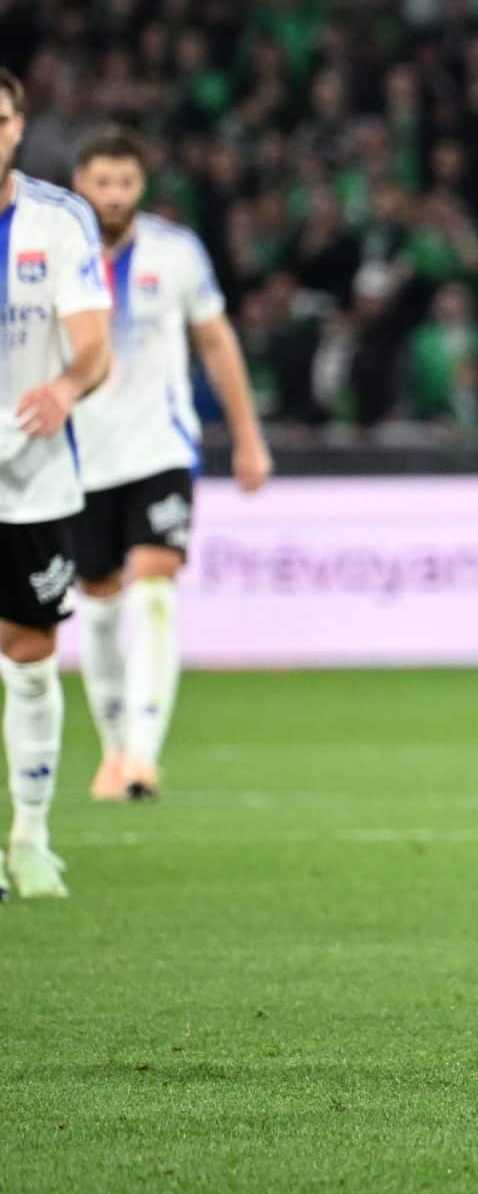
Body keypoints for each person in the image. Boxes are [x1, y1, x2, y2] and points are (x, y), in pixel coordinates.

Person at [67, 127, 272, 806]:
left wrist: (246, 437)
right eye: (102, 182)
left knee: (154, 590)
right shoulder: (52, 252)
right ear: (80, 183)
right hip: (76, 454)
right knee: (97, 606)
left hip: (160, 450)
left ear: (142, 185)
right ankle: (114, 745)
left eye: (125, 181)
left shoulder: (176, 252)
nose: (114, 194)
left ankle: (142, 758)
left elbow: (216, 340)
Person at [0, 68, 112, 903]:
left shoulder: (60, 220)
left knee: (30, 658)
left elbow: (92, 346)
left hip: (32, 478)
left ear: (18, 124)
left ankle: (31, 837)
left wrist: (65, 389)